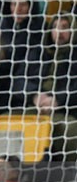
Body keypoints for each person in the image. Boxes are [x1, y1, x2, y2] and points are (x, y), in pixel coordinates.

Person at [25, 14, 77, 160]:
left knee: (70, 129)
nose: (58, 32)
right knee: (5, 120)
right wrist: (35, 95)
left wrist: (57, 100)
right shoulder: (37, 52)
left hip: (65, 110)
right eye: (55, 27)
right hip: (34, 107)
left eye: (64, 27)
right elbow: (18, 81)